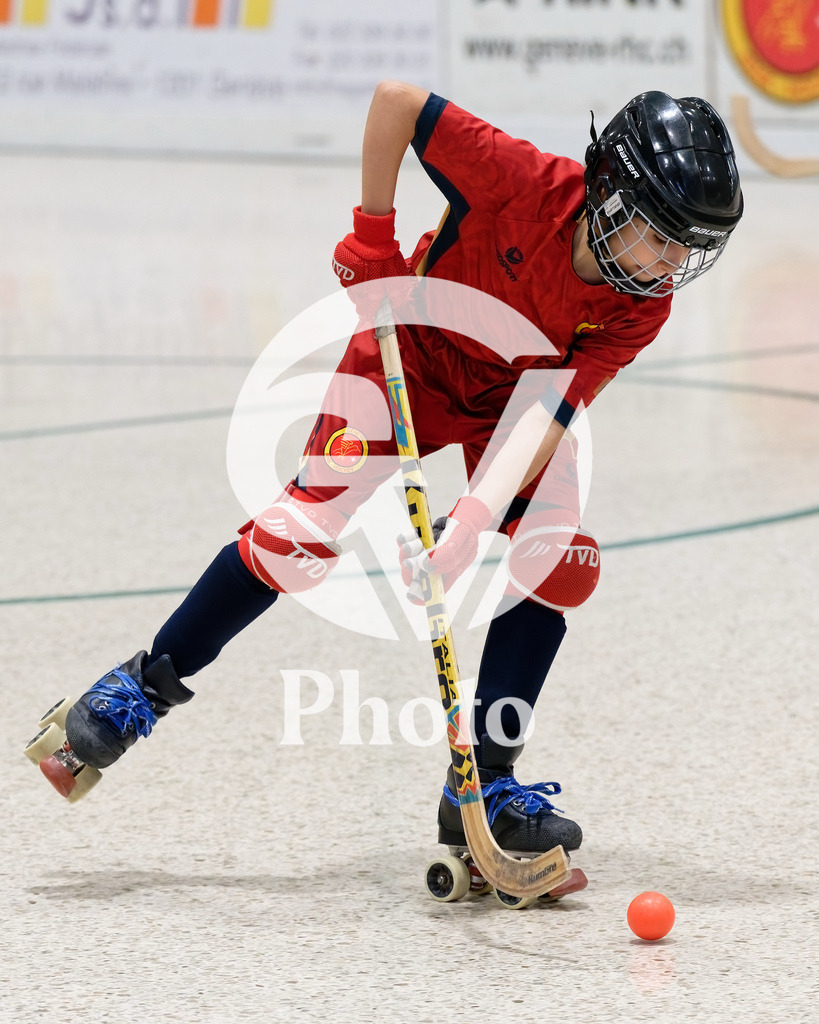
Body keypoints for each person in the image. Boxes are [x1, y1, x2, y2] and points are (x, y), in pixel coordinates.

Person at [55, 81, 743, 865]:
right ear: (611, 191)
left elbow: (549, 411)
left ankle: (482, 783)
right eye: (661, 236)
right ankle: (140, 688)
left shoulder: (638, 307)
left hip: (513, 403)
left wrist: (474, 523)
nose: (671, 264)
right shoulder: (515, 179)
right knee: (294, 538)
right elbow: (395, 102)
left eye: (689, 249)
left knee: (554, 560)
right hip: (407, 355)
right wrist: (372, 237)